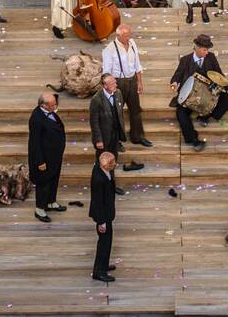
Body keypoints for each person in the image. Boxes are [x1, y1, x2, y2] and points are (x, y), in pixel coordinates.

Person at [169, 34, 228, 151]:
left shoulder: (211, 57)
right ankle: (193, 140)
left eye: (207, 50)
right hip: (190, 96)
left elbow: (219, 74)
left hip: (208, 91)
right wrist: (174, 83)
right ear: (196, 48)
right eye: (204, 50)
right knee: (180, 114)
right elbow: (177, 75)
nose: (207, 52)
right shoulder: (185, 60)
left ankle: (205, 116)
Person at [103, 25, 151, 147]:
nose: (128, 37)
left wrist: (139, 82)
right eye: (125, 36)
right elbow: (107, 72)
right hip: (118, 83)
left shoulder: (132, 43)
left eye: (129, 35)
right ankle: (115, 140)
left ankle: (138, 137)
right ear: (118, 35)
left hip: (132, 80)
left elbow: (137, 64)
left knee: (135, 110)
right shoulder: (109, 50)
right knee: (116, 112)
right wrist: (110, 88)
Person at [91, 73, 142, 184]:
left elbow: (119, 112)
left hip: (115, 135)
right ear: (105, 86)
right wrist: (98, 139)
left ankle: (111, 183)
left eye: (115, 82)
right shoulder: (96, 99)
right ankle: (101, 184)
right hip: (103, 137)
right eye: (113, 83)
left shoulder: (118, 93)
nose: (116, 84)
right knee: (102, 162)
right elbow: (94, 122)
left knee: (112, 160)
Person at [28, 92, 66, 223]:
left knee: (54, 178)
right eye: (53, 104)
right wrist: (40, 161)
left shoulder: (50, 113)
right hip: (44, 157)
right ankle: (40, 209)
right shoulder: (36, 118)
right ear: (44, 105)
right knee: (44, 182)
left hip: (55, 155)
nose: (55, 106)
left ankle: (51, 202)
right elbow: (35, 142)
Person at [89, 151, 118, 282]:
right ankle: (98, 271)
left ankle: (104, 265)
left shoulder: (102, 169)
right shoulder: (99, 180)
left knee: (108, 241)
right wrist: (101, 222)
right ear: (106, 166)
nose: (115, 164)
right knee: (104, 243)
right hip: (103, 216)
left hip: (107, 213)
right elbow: (98, 202)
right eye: (112, 163)